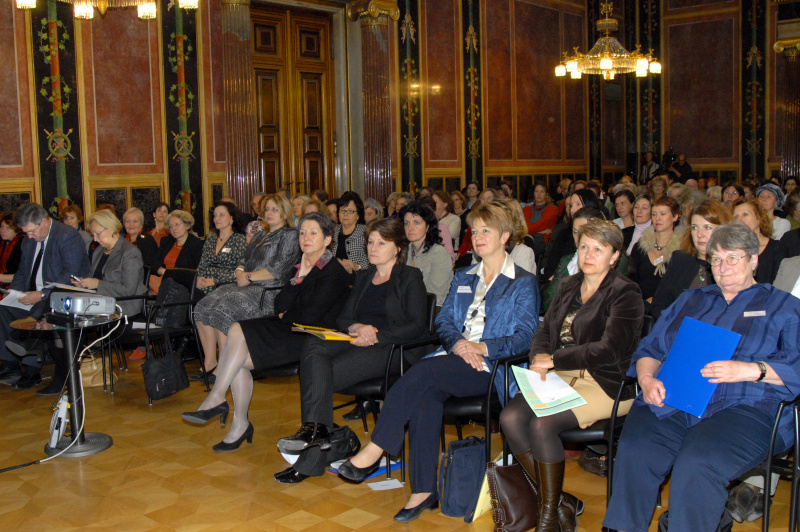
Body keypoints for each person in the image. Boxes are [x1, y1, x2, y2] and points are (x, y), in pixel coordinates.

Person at [336, 203, 540, 521]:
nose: (478, 236)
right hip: (454, 359)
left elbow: (524, 338)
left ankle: (377, 447)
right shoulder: (464, 275)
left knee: (424, 371)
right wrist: (459, 344)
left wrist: (480, 347)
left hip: (492, 367)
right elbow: (443, 321)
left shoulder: (522, 282)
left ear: (505, 236)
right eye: (475, 230)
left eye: (486, 230)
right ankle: (423, 491)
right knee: (425, 397)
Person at [604, 222, 800, 532]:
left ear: (754, 260)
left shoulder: (784, 307)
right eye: (716, 259)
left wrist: (750, 369)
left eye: (733, 258)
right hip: (676, 398)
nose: (723, 267)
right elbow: (651, 348)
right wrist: (646, 379)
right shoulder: (691, 300)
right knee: (638, 448)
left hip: (746, 406)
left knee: (698, 463)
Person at [501, 218, 643, 532]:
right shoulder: (567, 285)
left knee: (542, 424)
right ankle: (558, 502)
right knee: (510, 417)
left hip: (606, 382)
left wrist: (554, 359)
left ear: (614, 256)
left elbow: (611, 349)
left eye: (598, 249)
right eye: (584, 247)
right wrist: (538, 357)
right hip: (562, 376)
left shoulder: (626, 292)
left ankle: (549, 519)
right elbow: (544, 331)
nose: (588, 255)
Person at [182, 213, 351, 452]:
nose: (306, 238)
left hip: (311, 337)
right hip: (289, 328)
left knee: (235, 357)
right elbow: (279, 303)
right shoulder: (300, 265)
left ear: (327, 240)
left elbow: (309, 316)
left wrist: (291, 302)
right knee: (237, 331)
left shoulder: (333, 271)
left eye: (313, 233)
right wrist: (299, 278)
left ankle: (227, 410)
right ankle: (228, 409)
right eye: (302, 233)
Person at [276, 219, 428, 462]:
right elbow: (344, 317)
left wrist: (375, 336)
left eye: (381, 243)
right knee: (313, 345)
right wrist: (357, 327)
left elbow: (417, 325)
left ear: (398, 248)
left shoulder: (410, 276)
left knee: (317, 377)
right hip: (356, 339)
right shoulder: (364, 276)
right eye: (370, 242)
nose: (373, 248)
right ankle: (319, 433)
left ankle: (320, 445)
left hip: (392, 347)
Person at [192, 194, 300, 383]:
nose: (269, 213)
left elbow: (278, 270)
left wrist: (248, 276)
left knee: (223, 310)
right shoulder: (259, 234)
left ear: (285, 213)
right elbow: (242, 260)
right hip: (245, 284)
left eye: (275, 209)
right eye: (267, 209)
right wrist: (240, 272)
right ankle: (210, 361)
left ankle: (224, 366)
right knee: (202, 307)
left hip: (269, 291)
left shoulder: (290, 235)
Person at [0, 203, 90, 391]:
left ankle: (32, 369)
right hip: (34, 294)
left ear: (44, 221)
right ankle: (11, 363)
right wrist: (14, 294)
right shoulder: (29, 240)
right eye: (26, 233)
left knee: (39, 311)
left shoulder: (66, 236)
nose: (30, 236)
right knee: (4, 309)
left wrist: (42, 294)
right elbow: (22, 272)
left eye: (32, 231)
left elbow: (71, 273)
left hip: (60, 295)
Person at [649, 200, 732, 320]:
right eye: (695, 227)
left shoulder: (731, 266)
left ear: (723, 230)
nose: (699, 234)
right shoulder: (680, 259)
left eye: (707, 227)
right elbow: (658, 305)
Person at [542, 208, 629, 313]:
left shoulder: (616, 259)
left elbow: (604, 305)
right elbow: (548, 302)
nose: (578, 237)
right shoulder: (567, 260)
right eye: (575, 232)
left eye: (585, 231)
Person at [72, 209, 147, 317]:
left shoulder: (130, 252)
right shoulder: (99, 250)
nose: (95, 239)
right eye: (93, 235)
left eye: (98, 234)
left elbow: (129, 290)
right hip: (100, 305)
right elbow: (92, 277)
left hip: (123, 309)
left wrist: (97, 284)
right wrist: (83, 283)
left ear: (111, 229)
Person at [629, 196, 683, 303]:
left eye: (663, 214)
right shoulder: (640, 247)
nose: (657, 218)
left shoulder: (683, 250)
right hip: (641, 305)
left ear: (675, 216)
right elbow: (631, 282)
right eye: (654, 214)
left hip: (670, 307)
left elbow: (683, 287)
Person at [401, 202, 453, 307]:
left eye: (416, 223)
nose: (410, 227)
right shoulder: (403, 251)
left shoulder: (438, 253)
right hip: (405, 306)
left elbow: (435, 295)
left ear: (428, 226)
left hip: (431, 309)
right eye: (407, 223)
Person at [195, 202, 247, 296]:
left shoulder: (238, 239)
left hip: (225, 285)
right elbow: (202, 265)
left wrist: (215, 280)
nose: (216, 218)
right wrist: (198, 278)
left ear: (232, 218)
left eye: (221, 215)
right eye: (215, 215)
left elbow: (241, 268)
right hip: (204, 283)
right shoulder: (211, 240)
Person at [732, 199, 787, 284]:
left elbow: (780, 284)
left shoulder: (777, 248)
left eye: (745, 214)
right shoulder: (731, 250)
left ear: (759, 217)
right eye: (736, 216)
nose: (739, 220)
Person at [150, 210, 203, 294]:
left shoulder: (196, 244)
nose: (173, 228)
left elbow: (192, 271)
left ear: (187, 225)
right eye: (171, 226)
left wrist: (168, 273)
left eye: (177, 225)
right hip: (162, 280)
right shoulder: (166, 241)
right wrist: (164, 272)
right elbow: (154, 263)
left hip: (181, 285)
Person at [332, 192, 370, 275]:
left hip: (359, 278)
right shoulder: (333, 232)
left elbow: (375, 260)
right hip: (335, 277)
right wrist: (336, 261)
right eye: (342, 210)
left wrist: (358, 266)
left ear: (358, 215)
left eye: (350, 211)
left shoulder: (366, 233)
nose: (345, 214)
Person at [121, 207, 160, 279]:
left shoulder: (147, 240)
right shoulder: (121, 241)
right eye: (128, 221)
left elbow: (149, 265)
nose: (131, 224)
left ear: (141, 224)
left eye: (135, 221)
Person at [0, 213, 22, 285]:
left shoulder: (21, 246)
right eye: (2, 227)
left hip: (16, 285)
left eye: (8, 228)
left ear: (17, 230)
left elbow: (22, 275)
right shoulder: (2, 243)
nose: (3, 231)